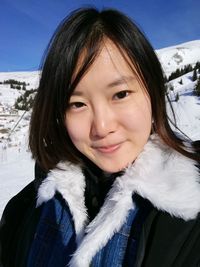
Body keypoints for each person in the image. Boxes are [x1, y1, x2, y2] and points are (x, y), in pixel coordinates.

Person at [0, 7, 200, 267]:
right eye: (77, 104)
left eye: (120, 94)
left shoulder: (190, 205)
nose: (102, 127)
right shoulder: (26, 210)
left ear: (152, 93)